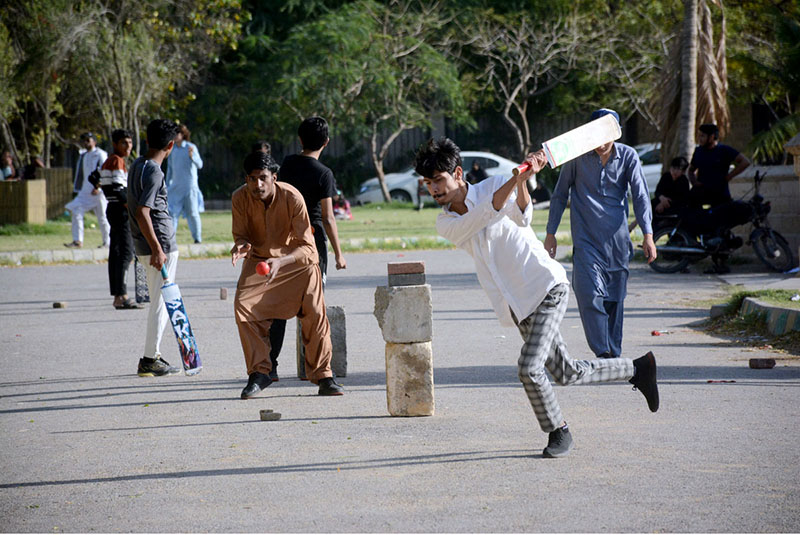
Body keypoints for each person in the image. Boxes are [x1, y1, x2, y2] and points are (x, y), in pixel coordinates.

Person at [415, 137, 658, 458]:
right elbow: (481, 218)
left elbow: (524, 216)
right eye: (428, 183)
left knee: (529, 369)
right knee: (565, 372)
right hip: (516, 304)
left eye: (438, 180)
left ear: (458, 173)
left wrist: (522, 180)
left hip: (545, 286)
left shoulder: (496, 184)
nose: (433, 189)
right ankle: (637, 369)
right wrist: (519, 177)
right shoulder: (446, 222)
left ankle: (558, 431)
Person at [545, 109, 656, 360]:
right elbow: (560, 195)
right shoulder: (576, 158)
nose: (601, 142)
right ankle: (602, 350)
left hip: (617, 241)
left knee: (615, 300)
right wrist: (550, 233)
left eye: (606, 135)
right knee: (589, 292)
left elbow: (640, 196)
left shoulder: (628, 156)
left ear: (615, 134)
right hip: (586, 241)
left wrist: (648, 234)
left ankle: (613, 355)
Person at [231, 151, 344, 398]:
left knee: (315, 313)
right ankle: (260, 373)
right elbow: (241, 235)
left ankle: (324, 376)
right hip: (260, 260)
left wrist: (282, 261)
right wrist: (242, 245)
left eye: (262, 178)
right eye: (251, 178)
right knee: (243, 306)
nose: (257, 184)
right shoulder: (239, 198)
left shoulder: (292, 197)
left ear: (274, 177)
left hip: (298, 262)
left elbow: (307, 246)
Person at [267, 116, 347, 381]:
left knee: (279, 308)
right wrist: (338, 253)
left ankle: (271, 366)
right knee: (313, 308)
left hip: (284, 240)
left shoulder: (287, 164)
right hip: (312, 242)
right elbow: (328, 217)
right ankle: (318, 370)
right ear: (326, 142)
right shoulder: (324, 174)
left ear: (299, 139)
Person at [127, 119, 182, 377]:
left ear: (147, 141)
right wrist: (158, 249)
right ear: (171, 145)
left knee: (158, 300)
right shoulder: (155, 172)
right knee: (160, 304)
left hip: (143, 244)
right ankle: (150, 359)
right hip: (159, 245)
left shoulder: (137, 164)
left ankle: (154, 353)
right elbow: (143, 212)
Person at [97, 129, 140, 309]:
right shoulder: (117, 161)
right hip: (120, 211)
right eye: (124, 143)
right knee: (125, 253)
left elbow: (101, 182)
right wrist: (134, 208)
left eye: (130, 143)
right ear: (115, 144)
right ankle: (122, 295)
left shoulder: (109, 161)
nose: (128, 146)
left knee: (115, 253)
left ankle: (117, 296)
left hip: (112, 208)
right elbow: (118, 190)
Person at [64, 133, 111, 248]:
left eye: (88, 140)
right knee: (76, 209)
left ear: (94, 142)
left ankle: (108, 242)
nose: (86, 143)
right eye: (84, 141)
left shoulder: (100, 154)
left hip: (98, 193)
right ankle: (78, 241)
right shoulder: (83, 156)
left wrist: (99, 187)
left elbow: (106, 171)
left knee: (103, 218)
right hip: (85, 192)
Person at [688, 123, 750, 208]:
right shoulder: (698, 151)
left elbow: (745, 162)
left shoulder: (724, 150)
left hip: (720, 193)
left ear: (712, 137)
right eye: (699, 136)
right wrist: (694, 182)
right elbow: (691, 170)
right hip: (701, 193)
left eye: (702, 136)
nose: (700, 139)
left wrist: (729, 176)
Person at [166, 124, 204, 243]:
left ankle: (197, 238)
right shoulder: (172, 150)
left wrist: (192, 157)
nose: (175, 136)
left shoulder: (190, 147)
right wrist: (167, 186)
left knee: (192, 213)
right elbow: (170, 170)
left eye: (177, 133)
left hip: (190, 186)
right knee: (172, 213)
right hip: (176, 187)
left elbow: (200, 165)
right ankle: (170, 240)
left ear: (183, 135)